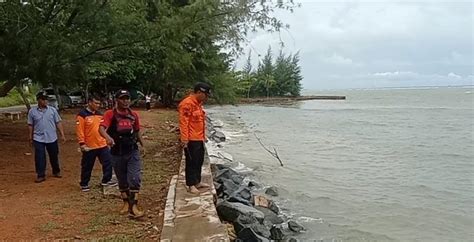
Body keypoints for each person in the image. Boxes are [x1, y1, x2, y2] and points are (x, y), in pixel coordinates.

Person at [99, 89, 145, 218]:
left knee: (134, 178)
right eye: (122, 99)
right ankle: (125, 202)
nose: (125, 101)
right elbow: (101, 129)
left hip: (132, 151)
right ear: (117, 100)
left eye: (127, 99)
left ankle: (134, 206)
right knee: (122, 179)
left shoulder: (133, 115)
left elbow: (137, 131)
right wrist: (108, 138)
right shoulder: (110, 114)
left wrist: (142, 145)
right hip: (116, 152)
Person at [76, 96, 116, 192]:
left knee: (108, 162)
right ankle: (84, 183)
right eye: (96, 103)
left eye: (99, 103)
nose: (97, 105)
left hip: (102, 144)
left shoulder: (100, 115)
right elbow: (79, 130)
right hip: (89, 146)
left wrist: (108, 139)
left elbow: (104, 128)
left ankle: (106, 180)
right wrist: (82, 144)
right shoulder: (82, 115)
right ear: (89, 102)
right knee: (87, 165)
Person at [178, 82, 211, 194]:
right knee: (191, 162)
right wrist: (184, 139)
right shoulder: (187, 104)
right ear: (199, 92)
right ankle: (191, 184)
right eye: (205, 95)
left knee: (199, 161)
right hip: (191, 139)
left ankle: (197, 181)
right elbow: (184, 122)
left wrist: (203, 136)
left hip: (199, 138)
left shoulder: (198, 104)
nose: (206, 97)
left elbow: (200, 122)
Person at [27, 91, 66, 183]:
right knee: (40, 156)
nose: (45, 102)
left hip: (52, 137)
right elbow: (30, 125)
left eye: (46, 100)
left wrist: (62, 134)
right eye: (43, 100)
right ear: (39, 100)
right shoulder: (32, 112)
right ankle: (40, 175)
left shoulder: (52, 110)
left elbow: (58, 122)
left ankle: (56, 171)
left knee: (54, 155)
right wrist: (30, 137)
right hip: (38, 137)